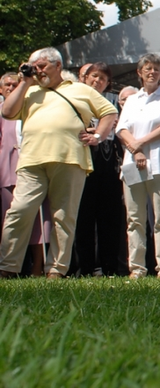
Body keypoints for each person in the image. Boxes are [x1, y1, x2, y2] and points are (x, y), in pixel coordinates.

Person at [0, 47, 117, 279]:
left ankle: (56, 269)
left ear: (58, 66)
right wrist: (24, 81)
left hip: (70, 158)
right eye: (35, 67)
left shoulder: (80, 89)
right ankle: (7, 266)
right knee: (19, 211)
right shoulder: (29, 90)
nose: (38, 71)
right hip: (32, 159)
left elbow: (109, 112)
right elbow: (7, 111)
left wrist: (97, 136)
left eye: (42, 66)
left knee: (63, 216)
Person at [116, 53, 160, 279]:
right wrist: (136, 149)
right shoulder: (133, 100)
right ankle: (137, 268)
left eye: (156, 69)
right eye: (148, 68)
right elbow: (121, 129)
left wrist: (140, 143)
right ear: (140, 73)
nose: (152, 72)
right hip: (133, 164)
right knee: (134, 218)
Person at [74, 62, 126, 276]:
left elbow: (123, 127)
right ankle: (84, 267)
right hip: (83, 163)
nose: (98, 81)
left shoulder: (114, 102)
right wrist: (97, 129)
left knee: (110, 219)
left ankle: (110, 267)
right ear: (85, 78)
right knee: (83, 218)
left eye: (102, 78)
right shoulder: (75, 99)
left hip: (109, 164)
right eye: (94, 76)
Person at [0, 72, 52, 277]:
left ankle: (37, 268)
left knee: (39, 221)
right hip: (7, 170)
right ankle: (10, 266)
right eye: (8, 85)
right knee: (9, 220)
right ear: (1, 89)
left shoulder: (32, 106)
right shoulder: (3, 110)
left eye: (16, 84)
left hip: (35, 167)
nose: (12, 87)